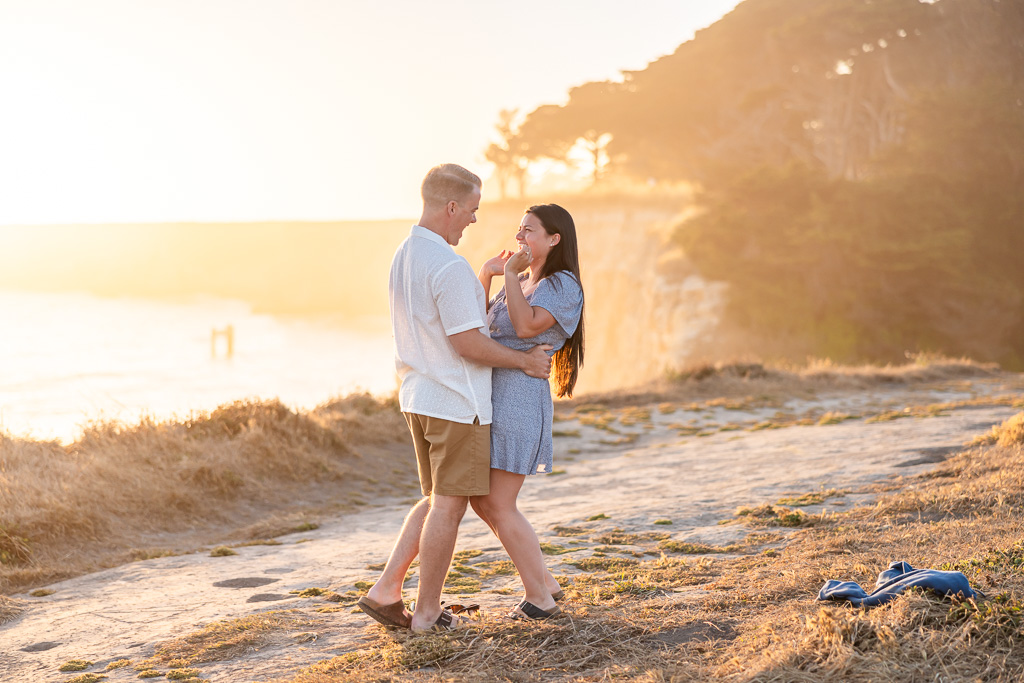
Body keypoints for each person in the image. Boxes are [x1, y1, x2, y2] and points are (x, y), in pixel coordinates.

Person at [356, 164, 552, 632]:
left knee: (434, 498)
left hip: (418, 397)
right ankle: (426, 613)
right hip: (456, 404)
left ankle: (386, 591)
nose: (473, 220)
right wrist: (524, 362)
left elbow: (453, 324)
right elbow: (469, 343)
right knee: (448, 507)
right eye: (471, 210)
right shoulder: (447, 264)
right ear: (451, 207)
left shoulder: (406, 254)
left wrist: (481, 277)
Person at [470, 203, 585, 620]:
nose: (520, 238)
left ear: (554, 239)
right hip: (494, 396)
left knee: (499, 501)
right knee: (484, 501)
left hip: (519, 398)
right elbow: (481, 325)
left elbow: (523, 328)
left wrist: (510, 278)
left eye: (529, 231)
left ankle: (538, 595)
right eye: (518, 230)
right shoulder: (519, 280)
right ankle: (546, 583)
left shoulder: (562, 285)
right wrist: (487, 275)